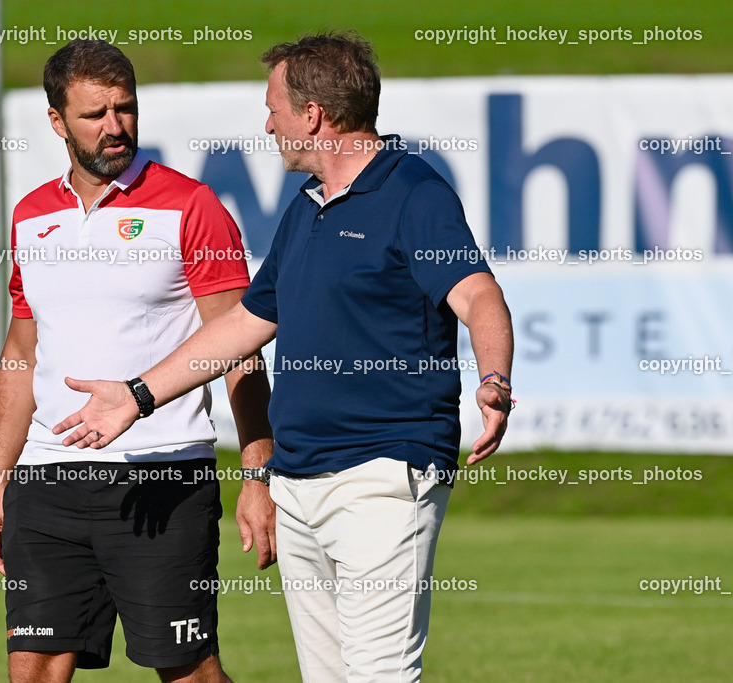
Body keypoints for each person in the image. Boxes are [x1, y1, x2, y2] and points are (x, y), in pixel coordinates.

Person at [51, 33, 515, 682]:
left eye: (273, 107)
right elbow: (243, 324)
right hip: (298, 482)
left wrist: (494, 378)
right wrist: (137, 394)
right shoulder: (307, 209)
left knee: (379, 674)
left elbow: (480, 295)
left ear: (313, 115)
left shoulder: (414, 192)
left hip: (382, 473)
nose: (266, 122)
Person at [0, 39, 275, 683]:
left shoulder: (193, 207)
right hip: (47, 483)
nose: (114, 127)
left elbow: (239, 350)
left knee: (188, 673)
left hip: (161, 480)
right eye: (94, 114)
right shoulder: (31, 215)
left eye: (125, 109)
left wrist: (257, 473)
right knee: (32, 671)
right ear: (57, 121)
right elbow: (22, 352)